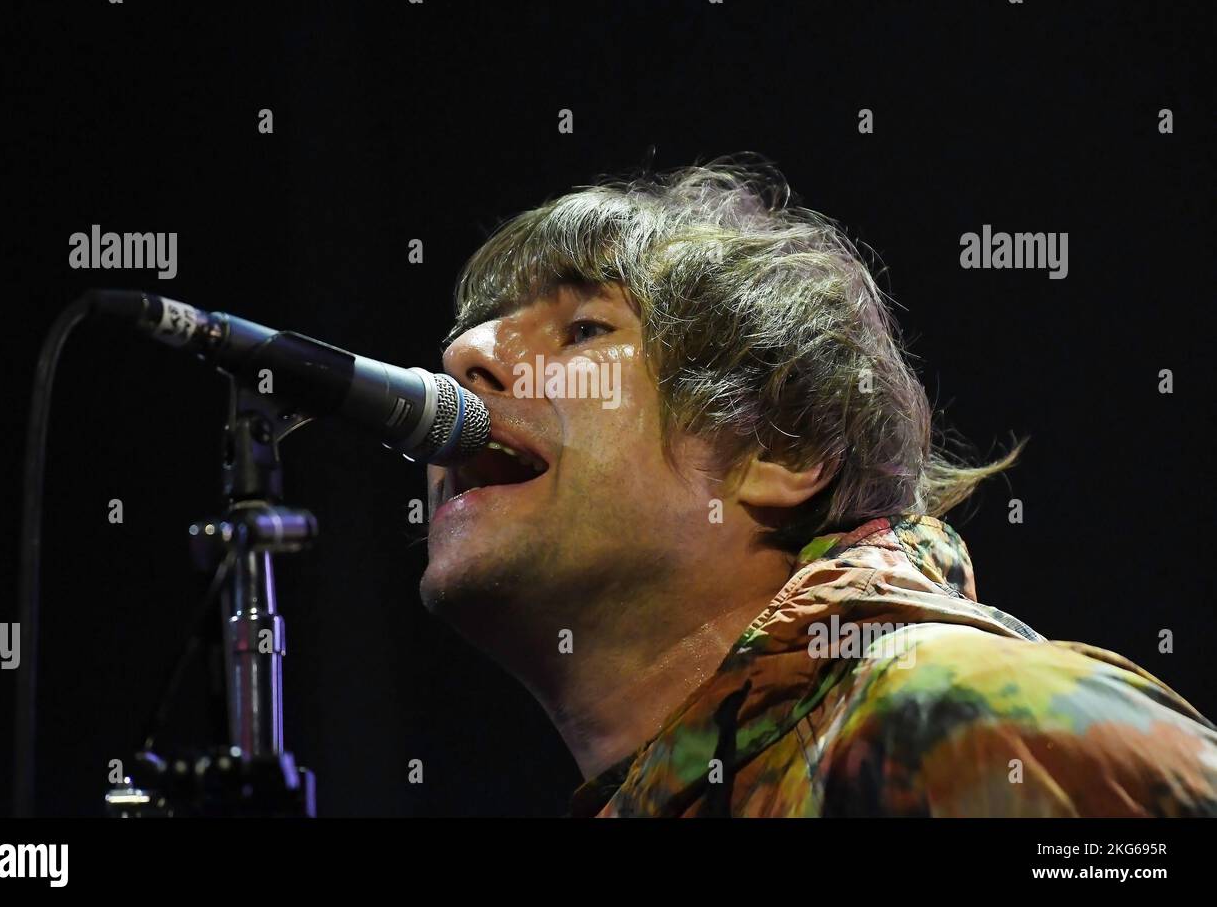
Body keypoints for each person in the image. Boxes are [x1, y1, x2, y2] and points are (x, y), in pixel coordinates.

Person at [419, 156, 1217, 816]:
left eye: (586, 329)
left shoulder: (970, 718)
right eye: (472, 332)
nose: (464, 356)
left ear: (781, 449)